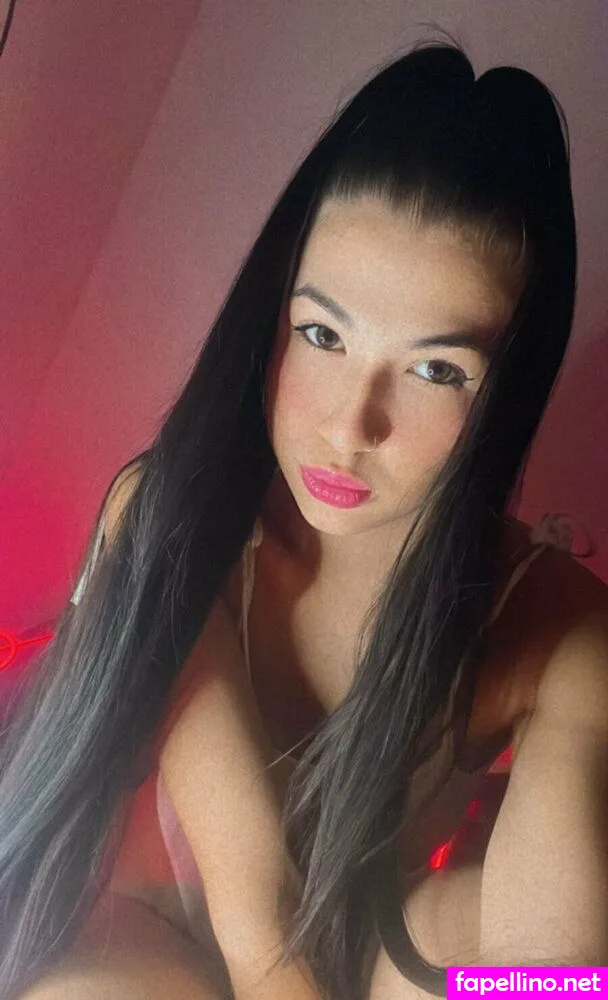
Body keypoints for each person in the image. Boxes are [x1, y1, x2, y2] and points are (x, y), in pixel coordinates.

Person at [1, 36, 606, 1000]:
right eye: (321, 333)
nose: (349, 426)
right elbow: (257, 920)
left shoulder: (560, 631)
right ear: (272, 317)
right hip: (146, 923)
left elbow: (563, 973)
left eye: (436, 369)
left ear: (507, 392)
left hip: (362, 948)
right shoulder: (176, 517)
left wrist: (490, 982)